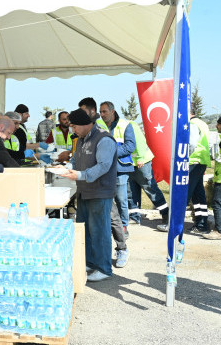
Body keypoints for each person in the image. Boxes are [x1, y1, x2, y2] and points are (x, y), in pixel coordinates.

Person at [61, 108, 117, 282]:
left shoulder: (103, 139)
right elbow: (76, 159)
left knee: (100, 231)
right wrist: (67, 167)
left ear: (86, 124)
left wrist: (80, 175)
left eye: (75, 126)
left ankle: (104, 268)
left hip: (100, 191)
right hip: (84, 191)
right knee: (84, 230)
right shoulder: (82, 139)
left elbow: (103, 166)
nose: (73, 130)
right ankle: (90, 262)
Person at [96, 101, 136, 268]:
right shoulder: (98, 125)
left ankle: (123, 231)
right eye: (101, 112)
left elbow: (131, 146)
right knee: (110, 210)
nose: (102, 114)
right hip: (103, 171)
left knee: (121, 202)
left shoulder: (126, 125)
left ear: (112, 111)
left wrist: (111, 152)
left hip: (120, 169)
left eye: (105, 111)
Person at [126, 120, 169, 228]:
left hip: (142, 163)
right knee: (131, 191)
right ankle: (134, 217)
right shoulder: (114, 127)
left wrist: (140, 158)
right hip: (130, 164)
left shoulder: (130, 124)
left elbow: (140, 141)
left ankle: (166, 214)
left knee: (150, 189)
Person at [187, 108, 211, 234]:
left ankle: (174, 223)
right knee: (198, 195)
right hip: (201, 161)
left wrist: (184, 157)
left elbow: (191, 143)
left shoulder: (192, 124)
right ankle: (201, 224)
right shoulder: (202, 123)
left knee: (184, 192)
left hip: (192, 161)